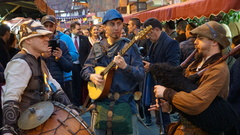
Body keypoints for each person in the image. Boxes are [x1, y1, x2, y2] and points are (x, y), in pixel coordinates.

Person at [151, 21, 231, 134]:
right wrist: (170, 107)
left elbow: (196, 103)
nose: (195, 41)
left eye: (201, 38)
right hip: (185, 129)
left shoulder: (218, 70)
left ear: (214, 42)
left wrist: (166, 93)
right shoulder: (195, 64)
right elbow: (185, 95)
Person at [1, 20, 72, 135]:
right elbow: (11, 98)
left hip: (38, 122)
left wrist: (70, 108)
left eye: (47, 36)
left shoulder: (39, 60)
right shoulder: (20, 63)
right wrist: (9, 129)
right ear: (28, 40)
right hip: (25, 128)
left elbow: (55, 87)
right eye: (41, 36)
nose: (47, 39)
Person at [81, 9, 145, 135]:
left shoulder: (131, 47)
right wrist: (91, 76)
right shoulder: (97, 47)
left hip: (125, 104)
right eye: (112, 24)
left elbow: (141, 74)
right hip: (101, 105)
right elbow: (85, 69)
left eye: (119, 24)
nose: (116, 28)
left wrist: (126, 67)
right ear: (104, 27)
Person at [142, 18, 180, 128]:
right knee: (160, 117)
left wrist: (152, 67)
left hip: (165, 86)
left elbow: (174, 66)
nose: (148, 37)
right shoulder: (154, 42)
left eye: (149, 33)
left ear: (157, 29)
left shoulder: (171, 43)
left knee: (164, 118)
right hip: (156, 84)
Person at [41, 15, 79, 103]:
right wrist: (43, 57)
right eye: (46, 26)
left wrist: (60, 57)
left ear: (55, 26)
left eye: (51, 26)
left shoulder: (62, 43)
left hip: (60, 82)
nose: (48, 28)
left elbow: (69, 67)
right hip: (42, 84)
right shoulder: (37, 43)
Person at [70, 22, 91, 106]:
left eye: (80, 29)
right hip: (70, 66)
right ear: (72, 29)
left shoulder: (84, 39)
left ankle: (78, 104)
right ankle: (73, 104)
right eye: (78, 29)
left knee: (78, 86)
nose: (80, 31)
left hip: (80, 66)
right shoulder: (67, 38)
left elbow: (88, 53)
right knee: (71, 86)